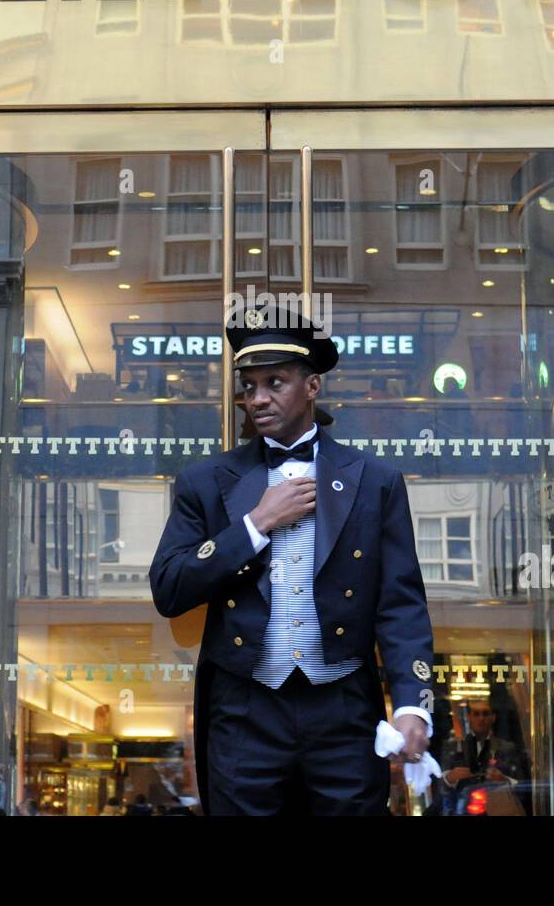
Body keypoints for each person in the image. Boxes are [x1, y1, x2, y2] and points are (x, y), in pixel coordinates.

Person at [151, 304, 434, 816]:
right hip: (245, 708)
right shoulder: (205, 481)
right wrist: (255, 525)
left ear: (312, 386)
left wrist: (413, 704)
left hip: (343, 705)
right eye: (249, 385)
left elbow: (400, 603)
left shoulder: (376, 481)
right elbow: (169, 588)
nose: (257, 399)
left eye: (274, 382)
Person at [441, 698, 529, 815]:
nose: (481, 718)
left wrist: (503, 780)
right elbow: (440, 789)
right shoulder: (452, 747)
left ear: (493, 717)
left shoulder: (507, 748)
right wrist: (450, 777)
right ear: (469, 717)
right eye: (476, 714)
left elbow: (521, 788)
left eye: (485, 714)